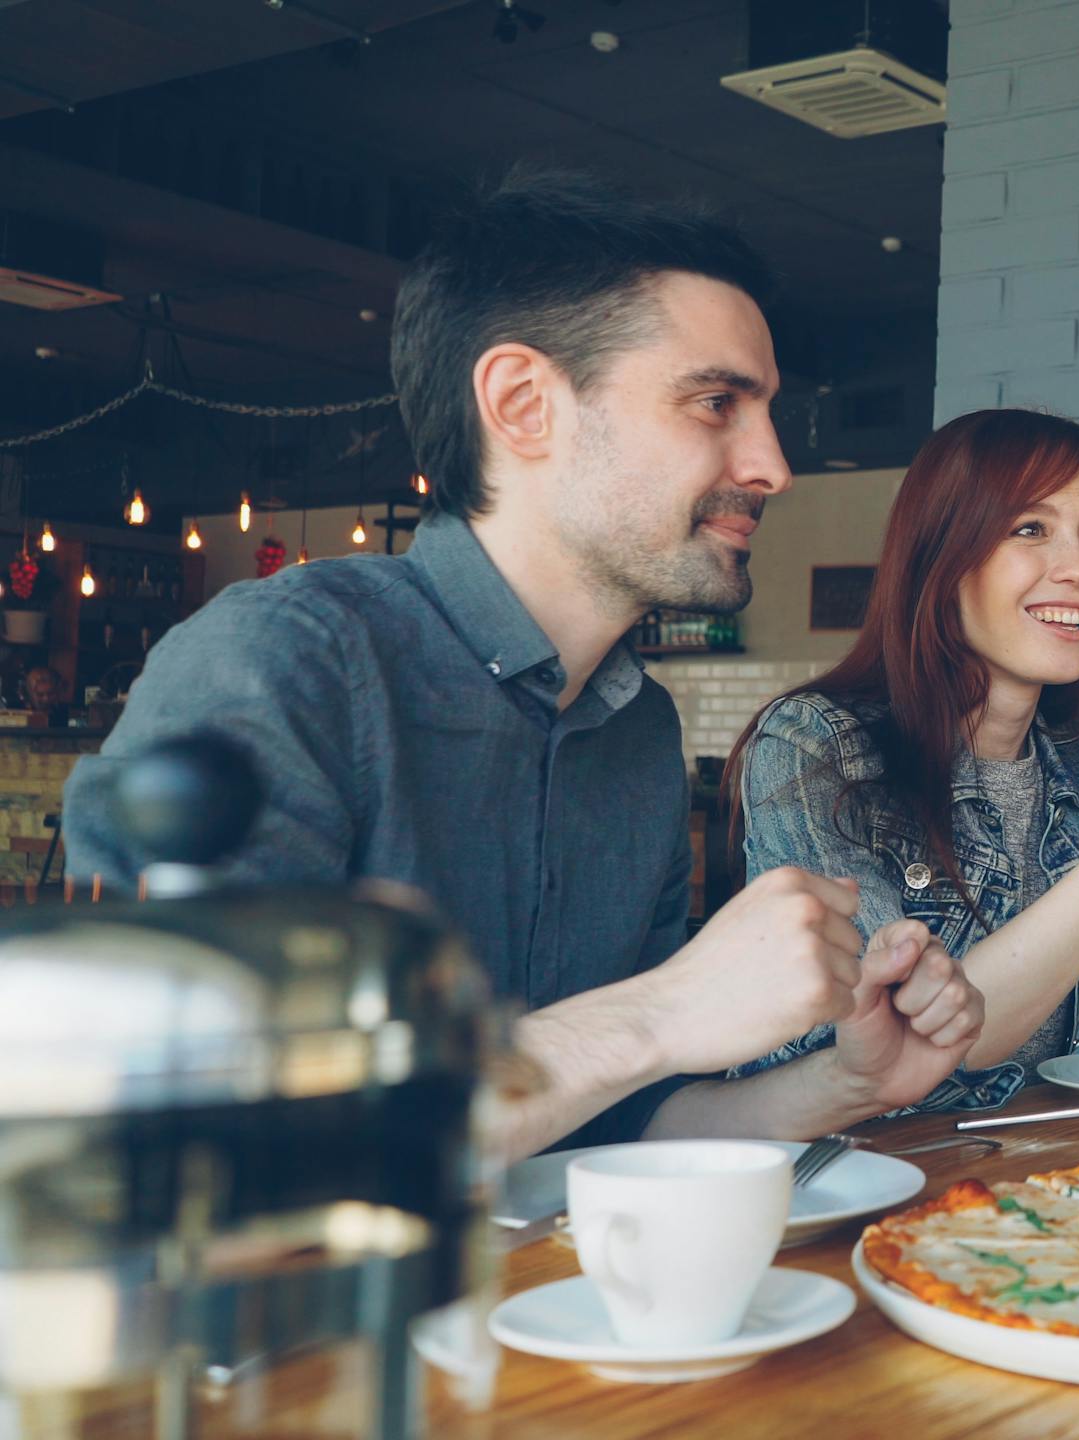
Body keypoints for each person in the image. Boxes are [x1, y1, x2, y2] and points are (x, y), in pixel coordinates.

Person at [65, 171, 984, 1160]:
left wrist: (845, 1082)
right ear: (524, 404)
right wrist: (663, 1010)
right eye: (716, 401)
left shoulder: (636, 725)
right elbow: (186, 1132)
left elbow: (622, 1122)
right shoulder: (282, 663)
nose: (770, 466)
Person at [728, 408, 1079, 1112]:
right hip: (838, 1178)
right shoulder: (814, 747)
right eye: (1030, 529)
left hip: (1000, 1178)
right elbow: (910, 1047)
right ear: (941, 555)